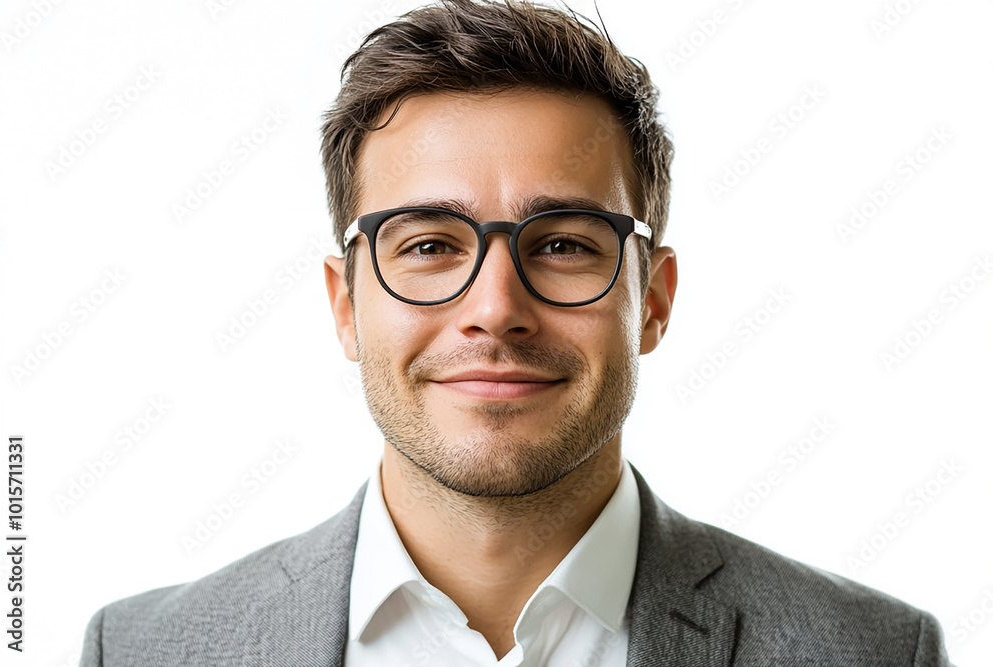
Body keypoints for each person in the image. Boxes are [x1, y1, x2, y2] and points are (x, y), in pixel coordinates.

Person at [79, 1, 952, 664]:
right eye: (428, 244)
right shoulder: (144, 649)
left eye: (565, 244)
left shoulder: (873, 649)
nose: (495, 307)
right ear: (345, 304)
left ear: (652, 299)